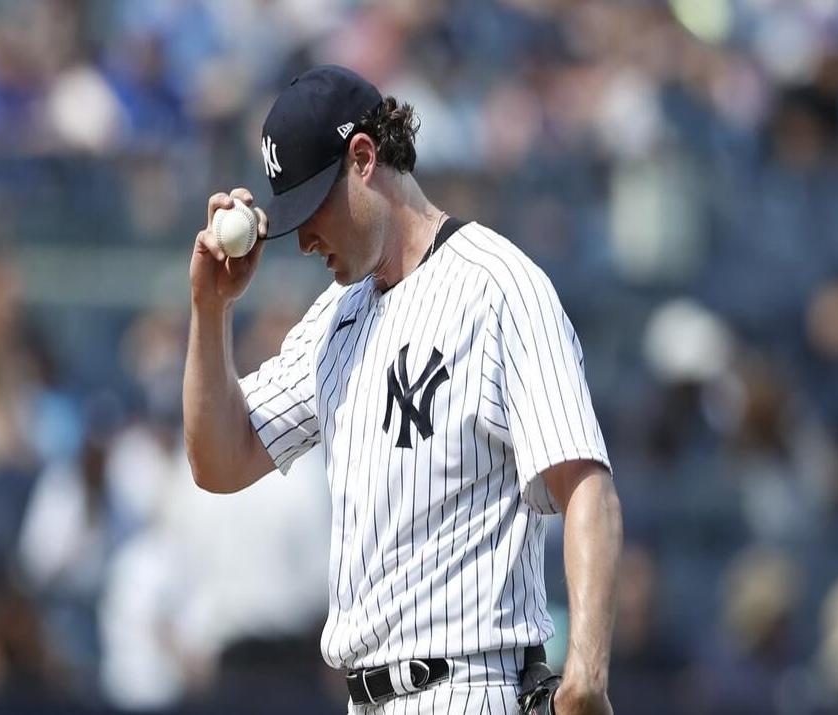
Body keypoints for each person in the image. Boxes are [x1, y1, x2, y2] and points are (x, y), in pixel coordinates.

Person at [183, 65, 622, 715]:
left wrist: (584, 672)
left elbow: (585, 484)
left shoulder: (496, 286)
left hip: (469, 683)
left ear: (363, 157)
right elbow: (218, 462)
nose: (303, 238)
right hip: (366, 696)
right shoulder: (333, 318)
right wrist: (210, 309)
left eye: (312, 208)